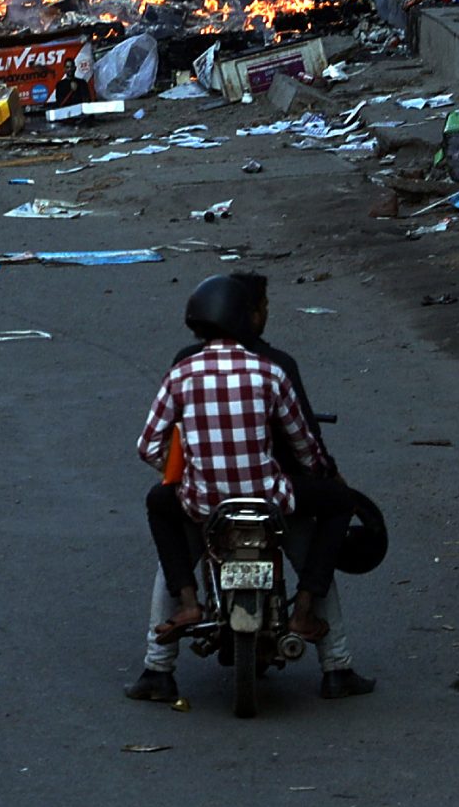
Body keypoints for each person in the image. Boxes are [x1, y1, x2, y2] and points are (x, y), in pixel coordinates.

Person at [125, 273, 375, 703]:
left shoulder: (182, 370)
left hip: (202, 504)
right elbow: (305, 444)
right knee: (330, 517)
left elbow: (148, 445)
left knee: (162, 518)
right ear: (248, 317)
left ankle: (164, 654)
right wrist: (325, 476)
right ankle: (322, 642)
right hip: (270, 500)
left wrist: (187, 476)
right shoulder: (272, 370)